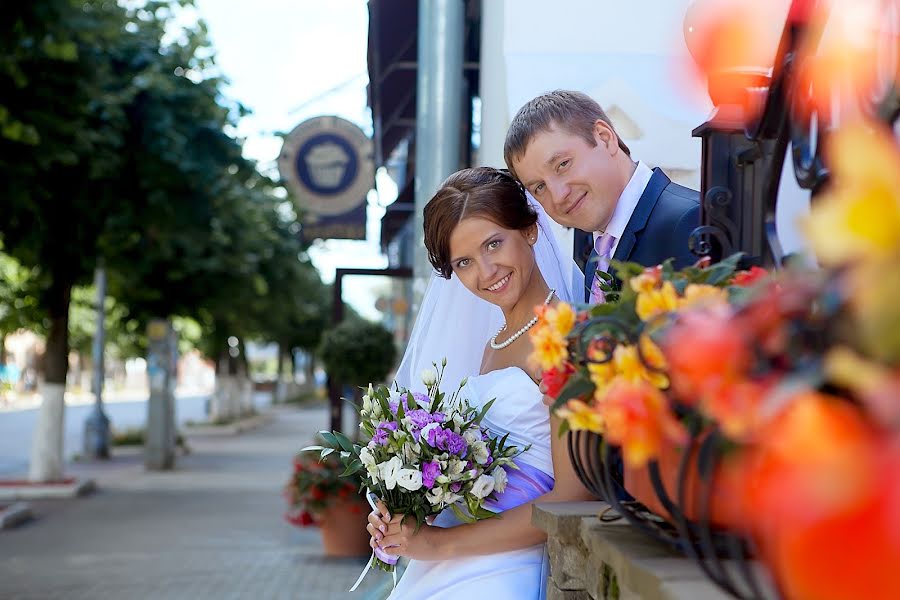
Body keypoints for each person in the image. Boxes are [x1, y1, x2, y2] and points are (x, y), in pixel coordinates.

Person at [367, 167, 593, 600]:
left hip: (506, 567)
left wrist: (439, 543)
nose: (486, 271)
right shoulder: (495, 342)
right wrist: (407, 512)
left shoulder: (565, 337)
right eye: (464, 262)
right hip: (453, 558)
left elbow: (570, 495)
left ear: (528, 229)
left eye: (493, 244)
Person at [504, 89, 701, 304]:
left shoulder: (688, 222)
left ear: (605, 138)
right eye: (539, 187)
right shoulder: (597, 256)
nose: (559, 196)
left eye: (562, 165)